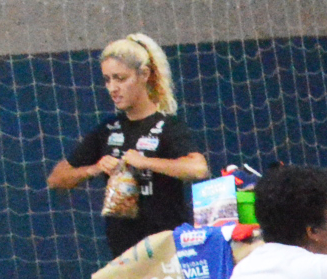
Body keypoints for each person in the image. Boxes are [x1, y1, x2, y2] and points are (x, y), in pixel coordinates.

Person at [48, 34, 210, 258]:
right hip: (124, 256)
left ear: (143, 75)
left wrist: (145, 162)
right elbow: (57, 178)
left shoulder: (167, 126)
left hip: (167, 253)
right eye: (107, 80)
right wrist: (95, 169)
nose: (113, 88)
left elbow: (198, 168)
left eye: (120, 78)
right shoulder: (108, 130)